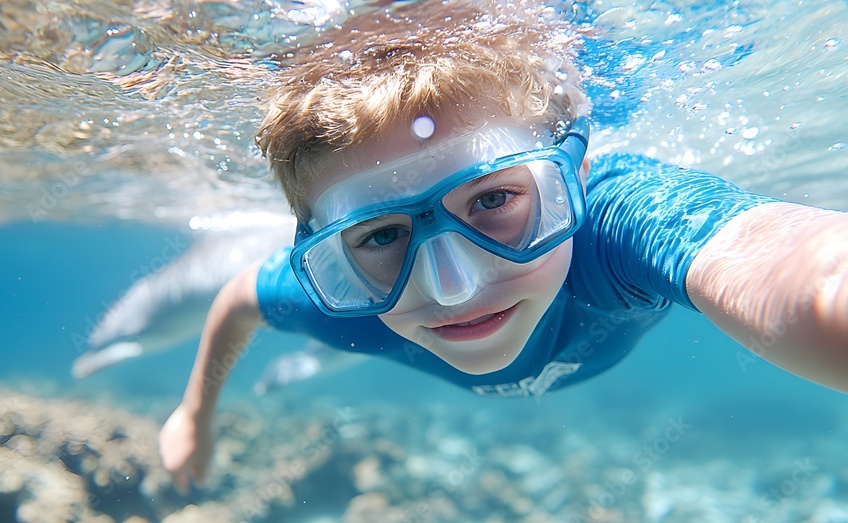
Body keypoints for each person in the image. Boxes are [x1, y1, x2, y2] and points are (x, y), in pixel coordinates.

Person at [158, 1, 848, 491]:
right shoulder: (340, 302)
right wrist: (195, 414)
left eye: (492, 200)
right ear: (330, 256)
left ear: (574, 178)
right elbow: (237, 301)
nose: (453, 287)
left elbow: (800, 273)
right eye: (378, 235)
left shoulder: (614, 230)